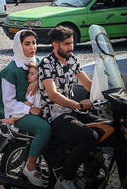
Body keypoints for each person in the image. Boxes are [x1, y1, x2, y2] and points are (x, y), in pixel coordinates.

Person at [38, 25, 98, 189]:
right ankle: (65, 177)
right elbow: (53, 95)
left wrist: (106, 95)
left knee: (104, 126)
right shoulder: (46, 64)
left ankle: (91, 172)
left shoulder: (72, 60)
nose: (71, 47)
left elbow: (88, 84)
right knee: (89, 136)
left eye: (72, 43)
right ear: (55, 44)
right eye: (66, 44)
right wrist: (78, 105)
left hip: (72, 112)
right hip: (55, 116)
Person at [0, 30, 51, 187]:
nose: (32, 47)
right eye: (27, 44)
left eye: (34, 43)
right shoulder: (11, 71)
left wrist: (37, 81)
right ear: (18, 46)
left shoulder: (38, 62)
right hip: (18, 114)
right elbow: (9, 104)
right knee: (44, 128)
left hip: (37, 107)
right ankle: (30, 166)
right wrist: (30, 110)